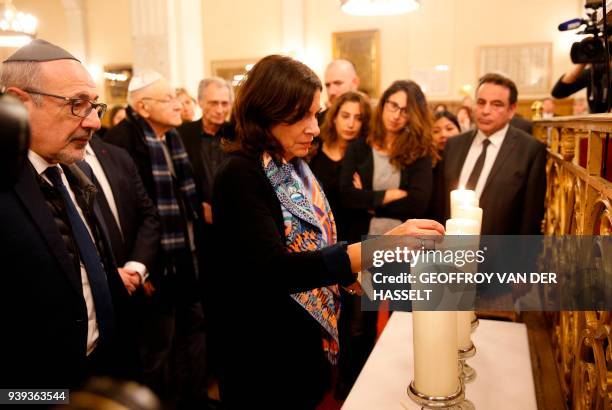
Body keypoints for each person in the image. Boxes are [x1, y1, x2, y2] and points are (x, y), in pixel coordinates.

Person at [210, 55, 444, 409]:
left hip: (298, 342)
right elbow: (275, 270)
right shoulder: (240, 175)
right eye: (301, 116)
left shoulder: (291, 167)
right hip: (263, 352)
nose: (315, 128)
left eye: (315, 115)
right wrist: (376, 248)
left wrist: (348, 272)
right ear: (265, 113)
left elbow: (318, 243)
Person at [0, 39, 137, 388]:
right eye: (77, 104)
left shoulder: (74, 172)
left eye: (94, 106)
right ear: (18, 104)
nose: (93, 122)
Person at [104, 71, 209, 408]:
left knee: (192, 335)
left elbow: (182, 198)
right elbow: (131, 214)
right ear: (144, 107)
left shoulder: (172, 138)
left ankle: (191, 399)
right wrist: (142, 265)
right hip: (155, 265)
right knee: (158, 349)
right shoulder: (124, 142)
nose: (178, 103)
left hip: (185, 258)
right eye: (168, 99)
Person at [337, 80, 435, 396]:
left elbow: (418, 202)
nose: (396, 115)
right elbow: (346, 196)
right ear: (383, 106)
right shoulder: (360, 145)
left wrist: (369, 197)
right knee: (358, 324)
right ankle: (355, 388)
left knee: (401, 320)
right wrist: (389, 194)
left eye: (405, 110)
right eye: (392, 105)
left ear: (415, 115)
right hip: (364, 247)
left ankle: (397, 389)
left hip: (403, 250)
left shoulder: (418, 152)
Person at [441, 73, 547, 235]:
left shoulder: (530, 150)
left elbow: (530, 217)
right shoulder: (454, 144)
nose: (486, 111)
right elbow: (440, 203)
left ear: (511, 110)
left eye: (496, 104)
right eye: (481, 102)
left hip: (501, 252)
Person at [309, 91, 371, 241]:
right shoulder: (314, 148)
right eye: (345, 116)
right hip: (320, 235)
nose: (351, 124)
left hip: (357, 235)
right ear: (334, 117)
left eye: (358, 118)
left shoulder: (366, 155)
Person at [177, 77, 233, 227]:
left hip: (235, 220)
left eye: (224, 103)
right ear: (200, 102)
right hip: (195, 222)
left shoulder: (239, 134)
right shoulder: (181, 134)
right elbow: (177, 177)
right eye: (213, 103)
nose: (220, 110)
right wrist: (197, 205)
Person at [428, 110, 461, 222]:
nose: (443, 135)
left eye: (449, 129)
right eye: (436, 131)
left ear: (460, 131)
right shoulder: (426, 163)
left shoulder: (467, 161)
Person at [318, 59, 360, 124]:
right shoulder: (318, 122)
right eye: (328, 85)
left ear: (355, 83)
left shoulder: (372, 121)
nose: (331, 92)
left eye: (338, 83)